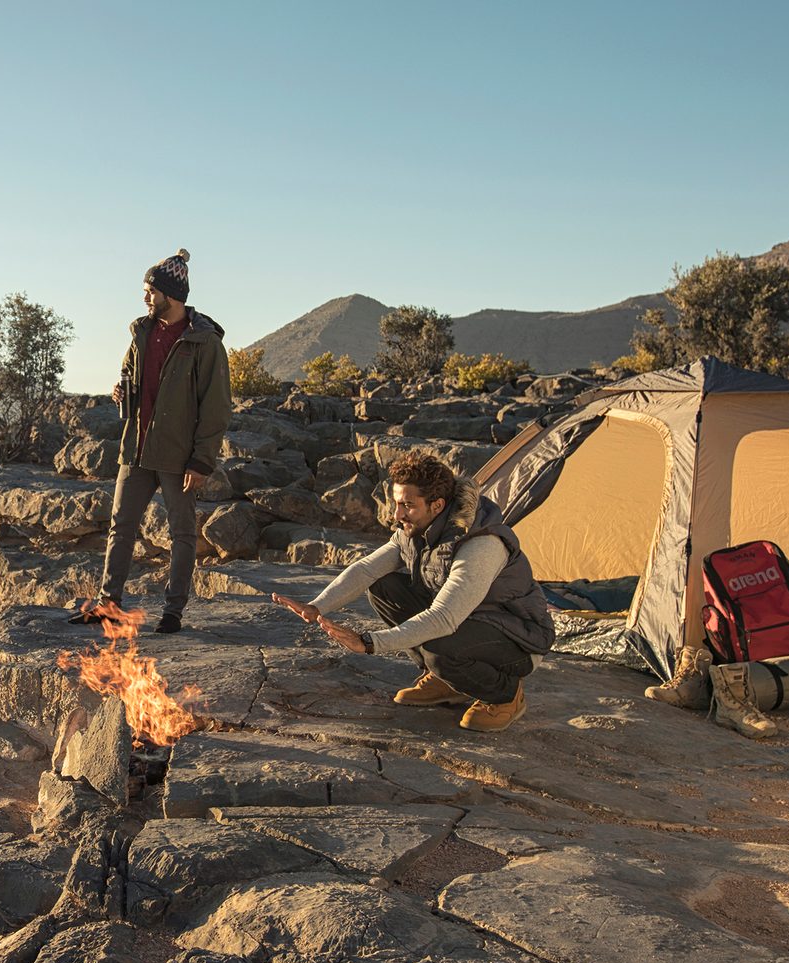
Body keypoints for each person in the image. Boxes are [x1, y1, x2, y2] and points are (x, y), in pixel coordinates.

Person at [271, 449, 553, 731]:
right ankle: (446, 679)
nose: (397, 515)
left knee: (439, 646)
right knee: (385, 587)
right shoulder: (416, 530)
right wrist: (318, 606)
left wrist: (369, 642)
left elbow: (444, 618)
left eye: (407, 505)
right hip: (470, 622)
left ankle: (505, 695)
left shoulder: (480, 545)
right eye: (396, 503)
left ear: (437, 505)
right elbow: (368, 569)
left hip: (517, 639)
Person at [71, 249, 232, 634]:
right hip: (136, 448)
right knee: (120, 526)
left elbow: (217, 407)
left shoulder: (205, 343)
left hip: (179, 457)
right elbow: (129, 373)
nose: (145, 297)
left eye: (150, 291)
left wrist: (201, 461)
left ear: (171, 295)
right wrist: (120, 391)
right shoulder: (141, 332)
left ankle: (173, 612)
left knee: (182, 534)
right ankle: (109, 604)